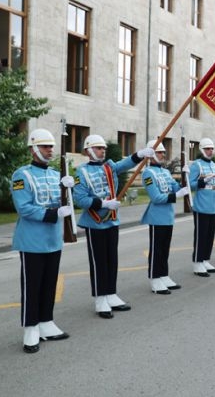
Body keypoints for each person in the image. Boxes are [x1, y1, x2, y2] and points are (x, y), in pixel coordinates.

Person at [73, 134, 156, 318]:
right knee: (99, 262)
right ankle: (100, 298)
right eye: (98, 148)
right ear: (88, 151)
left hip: (111, 220)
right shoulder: (81, 172)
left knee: (112, 260)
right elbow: (79, 199)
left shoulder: (109, 166)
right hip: (95, 222)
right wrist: (103, 204)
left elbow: (125, 164)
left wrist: (140, 154)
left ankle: (111, 293)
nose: (103, 151)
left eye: (103, 148)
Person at [11, 129, 73, 353]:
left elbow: (64, 205)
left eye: (51, 146)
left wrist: (69, 188)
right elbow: (24, 208)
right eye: (45, 146)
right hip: (32, 241)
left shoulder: (56, 174)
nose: (50, 150)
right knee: (32, 286)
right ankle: (30, 329)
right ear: (34, 148)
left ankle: (46, 322)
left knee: (49, 284)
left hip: (53, 239)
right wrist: (52, 214)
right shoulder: (22, 175)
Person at [140, 140, 189, 294]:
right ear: (152, 154)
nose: (162, 154)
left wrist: (185, 176)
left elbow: (176, 188)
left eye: (163, 152)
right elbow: (156, 197)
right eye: (159, 152)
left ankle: (163, 275)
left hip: (168, 216)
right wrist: (176, 195)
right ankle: (155, 279)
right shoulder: (148, 173)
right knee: (156, 249)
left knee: (165, 248)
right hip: (157, 217)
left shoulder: (166, 172)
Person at [189, 138, 215, 276]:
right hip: (201, 206)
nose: (210, 151)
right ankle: (197, 262)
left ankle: (205, 260)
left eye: (212, 149)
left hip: (213, 205)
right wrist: (201, 182)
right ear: (202, 149)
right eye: (207, 149)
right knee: (201, 236)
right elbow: (190, 184)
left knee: (210, 236)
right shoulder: (196, 165)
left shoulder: (214, 165)